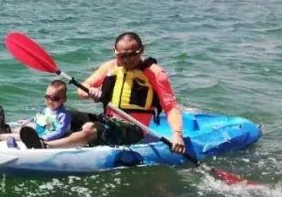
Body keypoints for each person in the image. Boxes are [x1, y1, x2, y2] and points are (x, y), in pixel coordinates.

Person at [36, 32, 187, 154]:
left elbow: (171, 107)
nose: (127, 60)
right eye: (122, 56)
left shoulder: (155, 73)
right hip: (109, 120)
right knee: (69, 115)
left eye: (132, 54)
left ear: (142, 50)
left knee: (91, 128)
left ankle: (46, 147)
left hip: (133, 129)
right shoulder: (110, 66)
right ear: (115, 52)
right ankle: (25, 133)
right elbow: (81, 90)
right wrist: (90, 91)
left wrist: (177, 135)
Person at [0, 79, 72, 148]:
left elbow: (60, 132)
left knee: (23, 135)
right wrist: (28, 121)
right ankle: (7, 130)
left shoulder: (63, 116)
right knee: (25, 128)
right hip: (42, 131)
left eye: (55, 98)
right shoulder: (47, 109)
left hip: (50, 138)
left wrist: (45, 138)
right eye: (47, 97)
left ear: (64, 99)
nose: (50, 101)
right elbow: (38, 117)